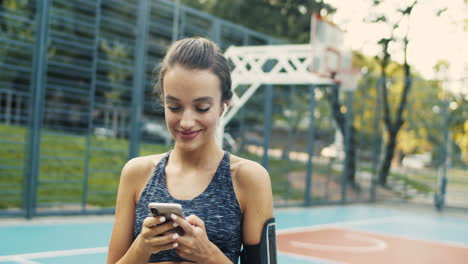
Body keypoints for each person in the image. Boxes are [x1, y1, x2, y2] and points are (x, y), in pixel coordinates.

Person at [106, 37, 275, 264]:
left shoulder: (249, 179)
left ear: (224, 105)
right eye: (174, 106)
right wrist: (142, 247)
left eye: (201, 107)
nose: (186, 121)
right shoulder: (137, 173)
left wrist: (209, 256)